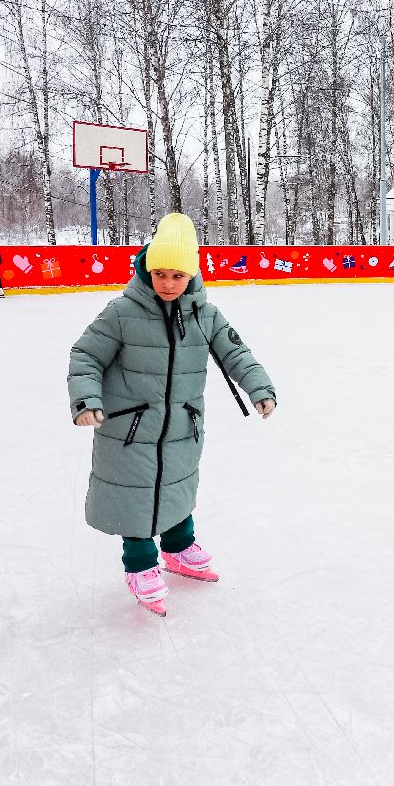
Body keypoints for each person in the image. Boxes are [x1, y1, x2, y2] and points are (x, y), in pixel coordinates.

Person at [67, 212, 277, 616]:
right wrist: (86, 400)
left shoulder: (205, 314)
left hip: (182, 424)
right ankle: (140, 565)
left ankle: (178, 547)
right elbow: (86, 355)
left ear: (191, 274)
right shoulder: (121, 312)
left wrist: (260, 388)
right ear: (146, 269)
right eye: (159, 273)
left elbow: (237, 353)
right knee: (134, 496)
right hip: (130, 428)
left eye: (177, 275)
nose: (167, 283)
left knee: (177, 486)